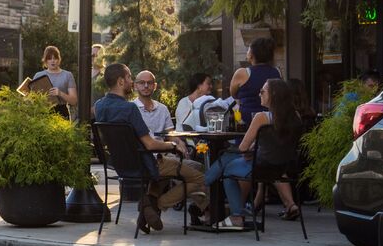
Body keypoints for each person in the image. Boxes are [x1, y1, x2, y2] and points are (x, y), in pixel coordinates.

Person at [94, 64, 205, 233]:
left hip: (120, 165)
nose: (131, 82)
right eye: (130, 78)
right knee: (200, 177)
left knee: (168, 167)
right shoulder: (129, 108)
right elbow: (150, 144)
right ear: (121, 81)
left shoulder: (100, 106)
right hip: (144, 164)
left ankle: (148, 205)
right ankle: (155, 204)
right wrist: (173, 145)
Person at [204, 78, 303, 229]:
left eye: (262, 91)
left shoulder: (261, 117)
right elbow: (277, 144)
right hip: (282, 168)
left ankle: (235, 215)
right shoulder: (295, 117)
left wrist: (249, 151)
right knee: (228, 160)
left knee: (226, 166)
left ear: (274, 94)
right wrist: (254, 150)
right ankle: (208, 183)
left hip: (259, 168)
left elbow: (243, 147)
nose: (259, 94)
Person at [229, 36, 282, 126]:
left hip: (246, 120)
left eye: (248, 49)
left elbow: (233, 94)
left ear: (252, 54)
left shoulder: (242, 73)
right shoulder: (277, 72)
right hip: (269, 119)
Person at [31, 45, 78, 119]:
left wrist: (60, 93)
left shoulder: (67, 75)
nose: (52, 61)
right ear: (45, 60)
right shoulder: (38, 75)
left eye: (55, 58)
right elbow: (32, 98)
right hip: (43, 112)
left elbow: (74, 101)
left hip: (61, 111)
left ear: (59, 59)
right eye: (49, 58)